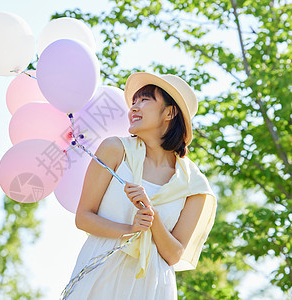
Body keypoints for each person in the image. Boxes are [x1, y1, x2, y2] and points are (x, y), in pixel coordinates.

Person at [62, 72, 217, 299]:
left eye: (145, 100)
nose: (133, 108)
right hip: (100, 273)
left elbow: (174, 254)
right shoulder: (115, 150)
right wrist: (130, 231)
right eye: (134, 101)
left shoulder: (194, 185)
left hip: (152, 287)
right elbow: (84, 217)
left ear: (169, 112)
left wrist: (151, 214)